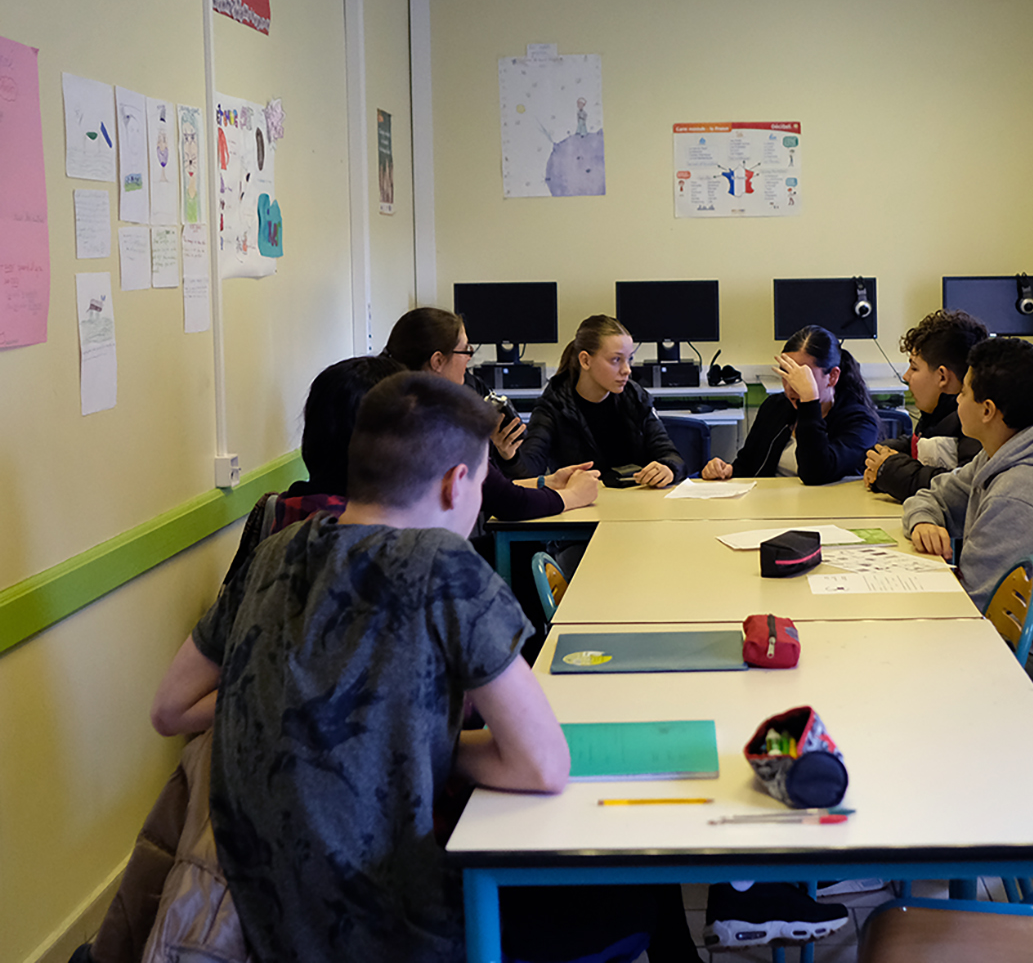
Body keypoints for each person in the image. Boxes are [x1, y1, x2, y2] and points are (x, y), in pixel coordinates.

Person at [150, 373, 572, 962]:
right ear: (456, 484)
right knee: (622, 906)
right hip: (408, 927)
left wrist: (311, 713)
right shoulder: (443, 566)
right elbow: (544, 765)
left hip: (274, 925)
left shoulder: (276, 551)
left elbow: (170, 709)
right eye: (482, 481)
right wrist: (417, 743)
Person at [902, 337, 1033, 697]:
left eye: (963, 392)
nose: (957, 401)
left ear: (987, 410)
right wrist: (924, 521)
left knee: (901, 662)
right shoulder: (1009, 448)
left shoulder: (1021, 495)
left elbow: (971, 612)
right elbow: (932, 495)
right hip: (1001, 637)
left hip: (1029, 659)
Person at [384, 307, 599, 517]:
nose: (470, 358)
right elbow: (509, 502)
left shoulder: (396, 409)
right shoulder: (436, 425)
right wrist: (573, 496)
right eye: (466, 350)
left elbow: (485, 487)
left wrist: (546, 481)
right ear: (438, 361)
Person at [504, 314, 685, 488]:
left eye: (629, 359)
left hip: (636, 502)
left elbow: (670, 455)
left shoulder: (636, 397)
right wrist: (510, 457)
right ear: (585, 361)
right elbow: (529, 471)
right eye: (616, 360)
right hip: (582, 505)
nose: (627, 370)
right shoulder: (553, 405)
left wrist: (668, 468)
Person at [701, 325, 878, 484]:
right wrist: (727, 470)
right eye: (787, 374)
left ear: (832, 376)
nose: (792, 386)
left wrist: (809, 402)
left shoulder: (861, 422)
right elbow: (747, 465)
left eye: (802, 376)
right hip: (771, 506)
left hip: (828, 510)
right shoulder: (775, 406)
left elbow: (816, 474)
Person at [863, 309, 987, 501]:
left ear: (942, 377)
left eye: (914, 367)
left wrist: (890, 471)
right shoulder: (936, 414)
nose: (905, 376)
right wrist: (882, 459)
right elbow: (921, 447)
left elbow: (962, 488)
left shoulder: (976, 424)